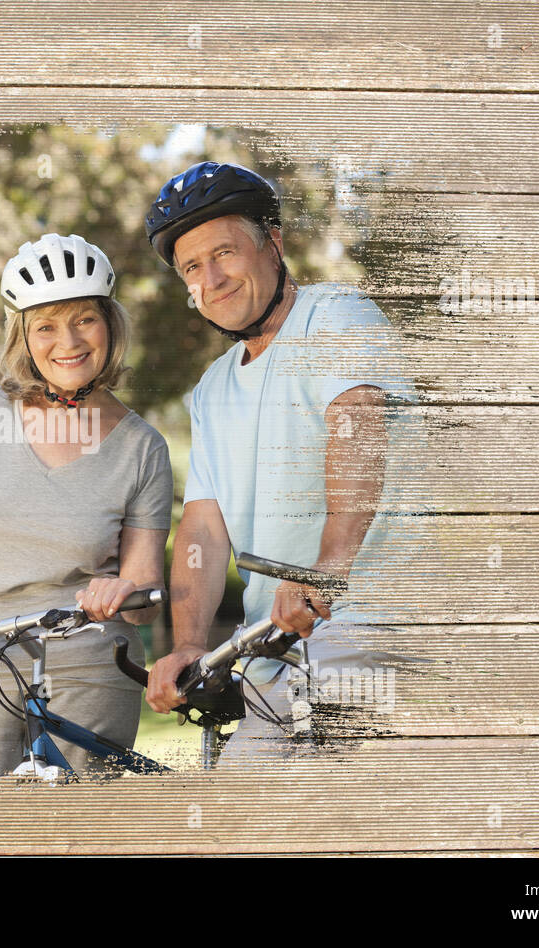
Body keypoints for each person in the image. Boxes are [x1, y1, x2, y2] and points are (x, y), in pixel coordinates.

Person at [142, 161, 414, 760]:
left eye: (225, 252)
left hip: (372, 628)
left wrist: (325, 569)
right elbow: (203, 527)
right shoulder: (212, 390)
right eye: (192, 267)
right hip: (273, 653)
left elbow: (357, 433)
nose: (211, 278)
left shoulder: (336, 315)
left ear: (273, 243)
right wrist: (188, 645)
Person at [0, 233, 173, 775]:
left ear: (110, 324)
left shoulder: (142, 447)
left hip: (90, 655)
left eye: (84, 319)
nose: (68, 341)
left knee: (80, 828)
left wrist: (124, 591)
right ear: (24, 336)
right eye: (46, 325)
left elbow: (147, 595)